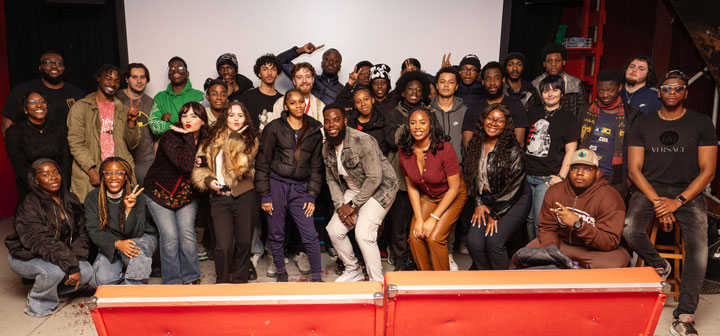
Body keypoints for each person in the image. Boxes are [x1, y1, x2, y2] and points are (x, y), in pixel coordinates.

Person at [624, 70, 717, 336]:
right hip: (649, 188)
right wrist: (658, 202)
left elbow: (708, 171)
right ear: (659, 92)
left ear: (686, 92)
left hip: (688, 192)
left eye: (678, 88)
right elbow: (634, 171)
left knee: (699, 248)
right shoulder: (643, 123)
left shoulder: (701, 123)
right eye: (667, 88)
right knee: (629, 229)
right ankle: (660, 265)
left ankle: (685, 315)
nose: (673, 93)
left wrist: (676, 202)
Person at [5, 158, 94, 317]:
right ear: (36, 180)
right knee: (53, 272)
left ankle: (55, 293)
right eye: (46, 174)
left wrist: (76, 260)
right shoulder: (30, 205)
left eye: (56, 172)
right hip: (28, 255)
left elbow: (81, 233)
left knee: (86, 271)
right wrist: (71, 266)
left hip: (56, 253)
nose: (53, 177)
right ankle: (37, 304)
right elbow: (41, 241)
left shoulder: (70, 199)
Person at [323, 105, 398, 282]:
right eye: (327, 121)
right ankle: (353, 270)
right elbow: (331, 179)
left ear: (345, 121)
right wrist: (341, 206)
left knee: (364, 234)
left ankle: (377, 281)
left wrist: (352, 206)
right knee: (333, 230)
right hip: (355, 189)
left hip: (381, 189)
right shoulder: (326, 146)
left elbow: (374, 178)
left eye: (336, 120)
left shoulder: (363, 140)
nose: (332, 124)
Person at [255, 89, 324, 282]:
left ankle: (317, 277)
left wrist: (311, 195)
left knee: (310, 233)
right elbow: (262, 163)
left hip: (301, 188)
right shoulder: (274, 128)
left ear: (305, 104)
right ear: (286, 106)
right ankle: (281, 272)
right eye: (293, 103)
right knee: (276, 233)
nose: (298, 106)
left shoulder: (314, 131)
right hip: (276, 185)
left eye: (301, 102)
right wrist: (265, 195)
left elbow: (317, 167)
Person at [527, 149, 630, 269]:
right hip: (562, 244)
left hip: (595, 251)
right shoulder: (555, 191)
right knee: (526, 254)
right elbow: (546, 227)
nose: (579, 173)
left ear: (597, 172)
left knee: (613, 264)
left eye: (587, 169)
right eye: (574, 168)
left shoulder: (609, 197)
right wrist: (552, 251)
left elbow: (609, 241)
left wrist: (578, 224)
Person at [191, 102, 258, 283]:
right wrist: (207, 180)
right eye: (231, 115)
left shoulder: (251, 140)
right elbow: (201, 165)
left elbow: (237, 168)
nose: (236, 119)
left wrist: (235, 138)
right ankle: (222, 282)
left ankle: (239, 280)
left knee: (244, 243)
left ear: (245, 118)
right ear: (224, 118)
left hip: (244, 195)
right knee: (223, 245)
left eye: (240, 115)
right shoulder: (211, 139)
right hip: (219, 199)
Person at [143, 101, 208, 284]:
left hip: (186, 195)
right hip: (159, 193)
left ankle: (191, 277)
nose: (188, 120)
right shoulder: (170, 136)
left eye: (194, 116)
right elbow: (185, 165)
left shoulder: (207, 139)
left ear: (202, 121)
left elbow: (209, 163)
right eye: (184, 115)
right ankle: (172, 281)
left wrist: (202, 162)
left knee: (187, 233)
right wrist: (188, 137)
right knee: (170, 236)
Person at [399, 107, 467, 270]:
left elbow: (454, 188)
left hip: (453, 193)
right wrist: (420, 219)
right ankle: (426, 280)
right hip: (428, 195)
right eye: (413, 123)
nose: (417, 127)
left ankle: (442, 285)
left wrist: (433, 219)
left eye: (423, 122)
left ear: (431, 125)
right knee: (415, 236)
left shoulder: (445, 148)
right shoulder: (405, 150)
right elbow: (412, 186)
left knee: (434, 237)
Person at [463, 104, 531, 270]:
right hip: (486, 199)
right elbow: (470, 177)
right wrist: (478, 203)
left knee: (494, 241)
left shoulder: (512, 149)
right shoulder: (474, 144)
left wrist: (495, 214)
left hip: (514, 200)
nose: (494, 123)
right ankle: (485, 280)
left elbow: (514, 187)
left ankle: (502, 285)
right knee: (474, 243)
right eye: (490, 118)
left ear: (506, 125)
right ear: (483, 120)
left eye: (500, 120)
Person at [66, 64, 141, 203]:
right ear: (98, 78)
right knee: (94, 218)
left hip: (118, 173)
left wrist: (131, 123)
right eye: (108, 78)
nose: (112, 83)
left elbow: (132, 144)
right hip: (90, 173)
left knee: (122, 217)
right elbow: (76, 143)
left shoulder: (124, 110)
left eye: (116, 81)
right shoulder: (81, 108)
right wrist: (92, 171)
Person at [385, 71, 432, 271]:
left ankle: (416, 258)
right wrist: (415, 123)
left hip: (423, 178)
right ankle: (401, 260)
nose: (414, 92)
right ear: (403, 93)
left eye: (418, 90)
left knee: (418, 221)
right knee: (398, 225)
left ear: (422, 95)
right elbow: (392, 140)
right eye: (410, 89)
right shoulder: (393, 114)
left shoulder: (429, 114)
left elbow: (433, 139)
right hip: (399, 178)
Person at [85, 157, 157, 285]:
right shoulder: (92, 197)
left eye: (119, 173)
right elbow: (94, 231)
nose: (113, 177)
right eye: (108, 173)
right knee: (100, 280)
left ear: (126, 176)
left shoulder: (136, 194)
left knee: (135, 251)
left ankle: (132, 294)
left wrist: (128, 210)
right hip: (112, 241)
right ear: (102, 175)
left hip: (141, 236)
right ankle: (127, 272)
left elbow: (136, 232)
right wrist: (117, 244)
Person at [524, 75, 579, 241]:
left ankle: (543, 258)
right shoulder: (531, 113)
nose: (550, 94)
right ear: (541, 93)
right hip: (526, 175)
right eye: (546, 90)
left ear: (562, 93)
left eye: (555, 90)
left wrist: (561, 177)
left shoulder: (568, 118)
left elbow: (571, 151)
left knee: (541, 221)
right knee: (528, 220)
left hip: (547, 178)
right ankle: (530, 255)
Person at [577, 69, 640, 198]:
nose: (605, 95)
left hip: (615, 178)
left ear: (619, 87)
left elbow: (634, 149)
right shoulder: (585, 110)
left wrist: (629, 179)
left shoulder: (632, 115)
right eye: (601, 91)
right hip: (586, 172)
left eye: (610, 91)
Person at [5, 91, 71, 201]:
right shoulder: (14, 132)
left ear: (47, 106)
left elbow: (66, 161)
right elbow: (19, 166)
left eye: (42, 101)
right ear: (25, 109)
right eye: (32, 102)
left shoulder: (60, 129)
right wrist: (39, 190)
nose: (39, 105)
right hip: (30, 188)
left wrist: (61, 186)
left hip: (58, 185)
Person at [2, 51, 84, 135]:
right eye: (48, 62)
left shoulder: (77, 93)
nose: (54, 66)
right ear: (40, 67)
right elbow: (7, 123)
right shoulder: (23, 90)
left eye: (58, 63)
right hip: (34, 145)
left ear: (63, 68)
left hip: (69, 146)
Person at [461, 61, 529, 147]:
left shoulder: (516, 106)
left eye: (496, 78)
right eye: (488, 79)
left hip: (508, 159)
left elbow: (519, 144)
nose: (492, 83)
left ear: (503, 80)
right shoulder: (474, 108)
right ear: (483, 82)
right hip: (479, 158)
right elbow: (467, 145)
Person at [116, 63, 155, 185]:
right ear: (127, 79)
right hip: (122, 158)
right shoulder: (116, 99)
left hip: (146, 160)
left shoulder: (151, 102)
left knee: (147, 200)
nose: (139, 81)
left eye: (142, 77)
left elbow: (155, 133)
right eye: (134, 77)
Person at [148, 56, 204, 135]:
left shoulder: (198, 96)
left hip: (191, 145)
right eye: (172, 68)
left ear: (187, 73)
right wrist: (182, 125)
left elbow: (200, 125)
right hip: (166, 145)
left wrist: (171, 118)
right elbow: (154, 127)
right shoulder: (160, 97)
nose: (176, 70)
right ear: (168, 74)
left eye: (180, 67)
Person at [529, 43, 587, 117]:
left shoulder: (576, 84)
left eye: (557, 60)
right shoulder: (535, 85)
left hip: (570, 126)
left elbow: (582, 113)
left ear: (564, 62)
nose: (553, 64)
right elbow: (531, 113)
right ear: (544, 63)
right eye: (549, 61)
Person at [277, 42, 343, 104]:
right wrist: (302, 50)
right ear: (322, 64)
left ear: (339, 67)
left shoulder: (343, 91)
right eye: (327, 59)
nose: (331, 63)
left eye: (335, 61)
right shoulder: (307, 79)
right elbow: (279, 61)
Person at [238, 54, 284, 132]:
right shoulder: (247, 98)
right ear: (259, 73)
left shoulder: (283, 100)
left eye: (273, 69)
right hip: (252, 143)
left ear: (277, 73)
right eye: (265, 69)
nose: (270, 73)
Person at [431, 67, 467, 160]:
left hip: (458, 167)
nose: (446, 85)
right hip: (432, 167)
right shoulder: (427, 111)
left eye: (451, 82)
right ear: (437, 85)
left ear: (456, 86)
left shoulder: (465, 111)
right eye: (442, 82)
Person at [346, 87, 393, 156]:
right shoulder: (351, 124)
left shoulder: (382, 119)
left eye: (366, 99)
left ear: (372, 100)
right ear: (355, 106)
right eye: (358, 102)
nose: (363, 104)